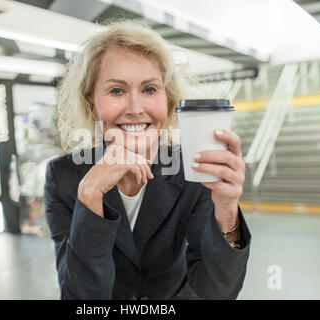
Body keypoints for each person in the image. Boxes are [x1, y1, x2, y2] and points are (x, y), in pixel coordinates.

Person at [45, 20, 250, 300]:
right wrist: (90, 196)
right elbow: (80, 298)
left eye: (150, 89)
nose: (135, 108)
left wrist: (227, 209)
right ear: (92, 103)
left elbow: (216, 292)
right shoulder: (64, 177)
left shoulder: (194, 170)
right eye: (117, 91)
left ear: (168, 102)